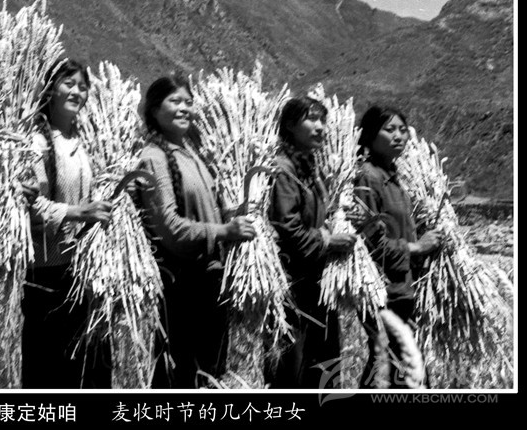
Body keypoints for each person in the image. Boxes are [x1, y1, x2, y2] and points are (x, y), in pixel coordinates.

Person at [135, 73, 255, 389]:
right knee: (181, 375)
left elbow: (212, 207)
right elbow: (170, 228)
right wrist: (224, 230)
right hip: (181, 286)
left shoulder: (193, 153)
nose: (184, 108)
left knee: (210, 373)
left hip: (210, 281)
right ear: (154, 110)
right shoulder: (152, 158)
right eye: (175, 101)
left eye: (188, 102)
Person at [22, 59, 112, 389]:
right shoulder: (36, 142)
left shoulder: (89, 141)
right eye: (68, 83)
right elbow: (30, 206)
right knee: (45, 364)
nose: (77, 91)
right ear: (50, 89)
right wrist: (77, 213)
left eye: (82, 86)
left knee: (80, 365)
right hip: (45, 270)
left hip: (82, 270)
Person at [267, 96, 355, 389]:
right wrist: (326, 240)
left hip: (316, 280)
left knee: (322, 361)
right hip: (293, 282)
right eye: (312, 119)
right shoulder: (283, 169)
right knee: (292, 365)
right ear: (290, 125)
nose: (320, 127)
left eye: (323, 120)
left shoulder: (310, 167)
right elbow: (286, 226)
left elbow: (316, 217)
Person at [354, 105, 441, 388]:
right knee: (393, 365)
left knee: (395, 367)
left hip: (403, 286)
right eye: (389, 129)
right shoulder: (368, 177)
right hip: (384, 289)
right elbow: (369, 241)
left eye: (403, 130)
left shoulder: (394, 178)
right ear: (370, 135)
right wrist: (417, 248)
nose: (399, 136)